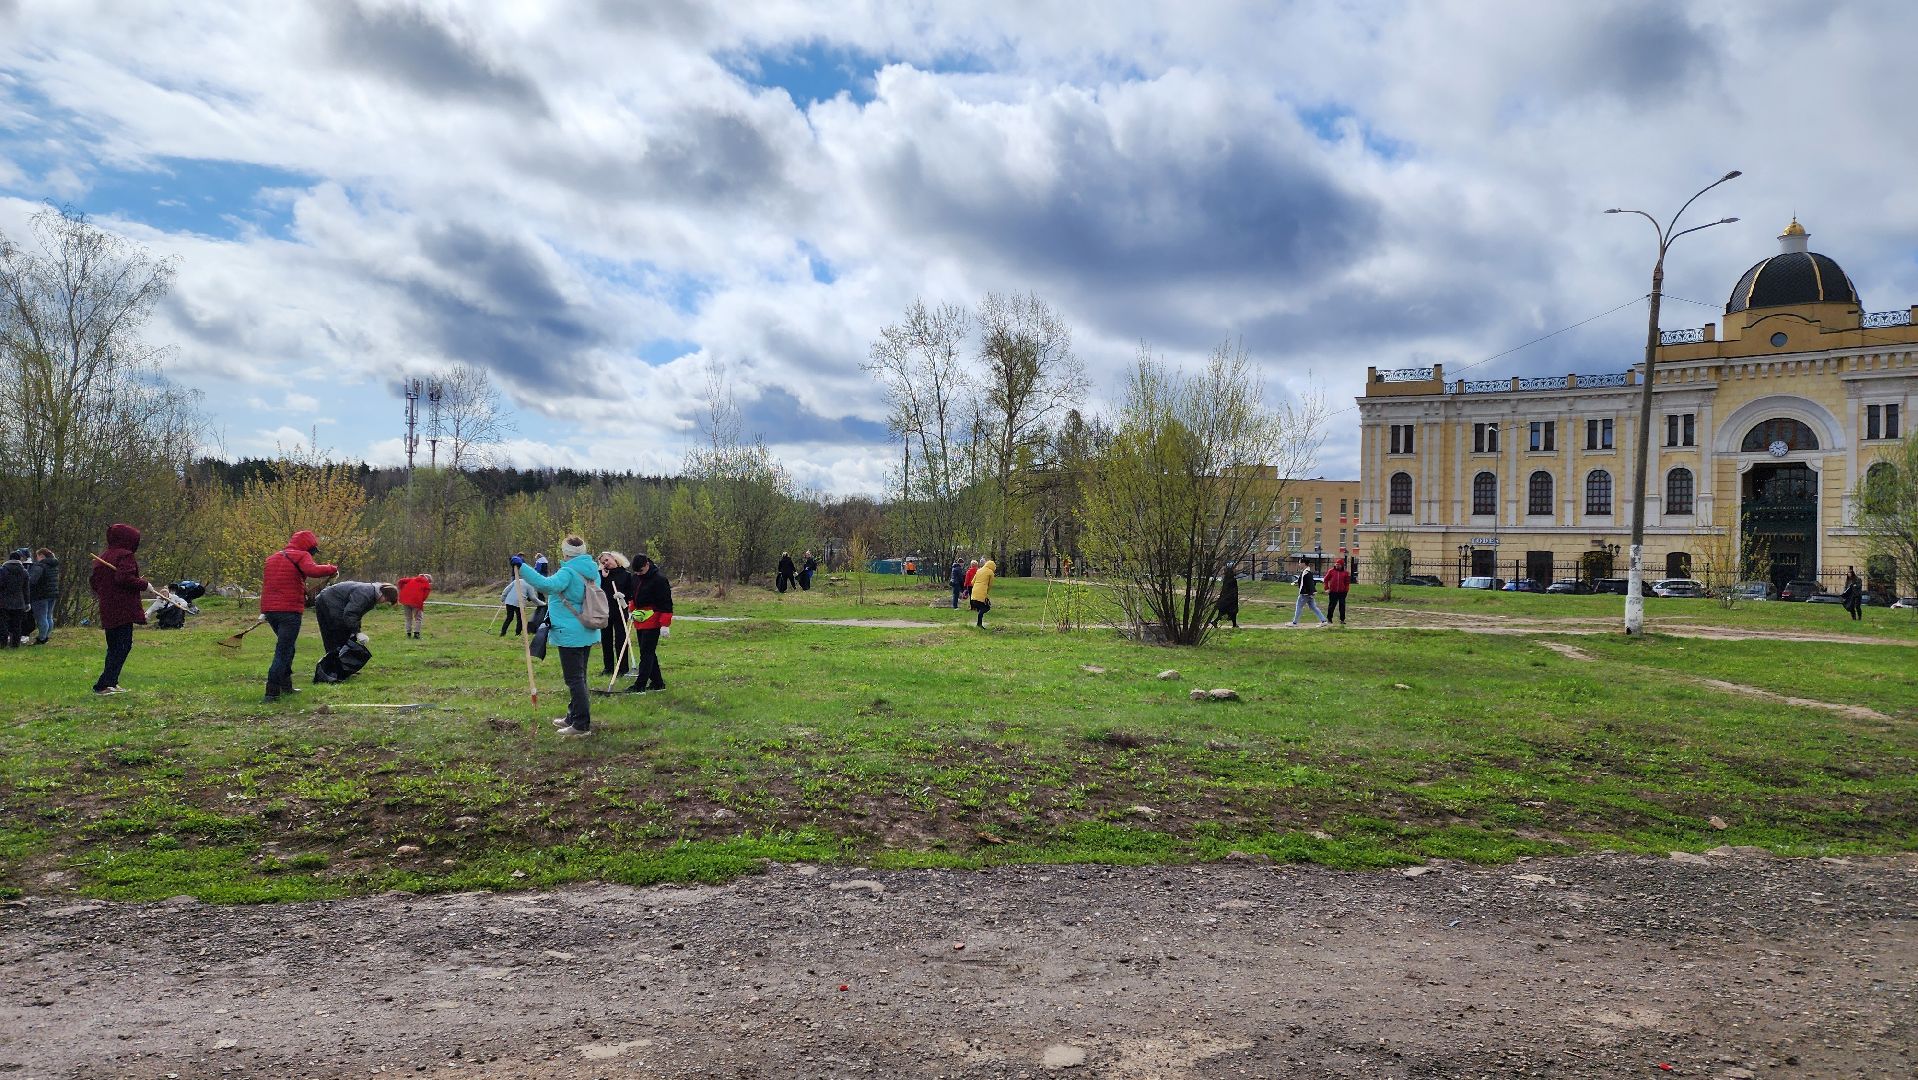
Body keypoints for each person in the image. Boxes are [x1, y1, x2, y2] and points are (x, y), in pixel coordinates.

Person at [516, 537, 600, 735]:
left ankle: (581, 725)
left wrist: (523, 568)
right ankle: (573, 715)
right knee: (580, 676)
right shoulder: (592, 571)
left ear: (566, 552)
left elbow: (547, 586)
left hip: (570, 632)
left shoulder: (568, 571)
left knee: (574, 679)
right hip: (587, 628)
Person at [259, 529, 339, 703]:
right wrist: (332, 568)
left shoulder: (271, 559)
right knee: (283, 650)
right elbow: (313, 570)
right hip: (289, 610)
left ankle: (286, 686)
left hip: (270, 610)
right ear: (309, 547)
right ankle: (272, 692)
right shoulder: (301, 556)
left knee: (288, 647)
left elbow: (270, 584)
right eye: (313, 551)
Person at [89, 523, 148, 695]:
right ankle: (104, 684)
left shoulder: (104, 556)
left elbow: (94, 582)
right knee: (122, 646)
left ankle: (111, 682)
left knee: (114, 646)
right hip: (123, 608)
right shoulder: (125, 555)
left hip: (108, 607)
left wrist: (107, 592)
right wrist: (144, 584)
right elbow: (124, 578)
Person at [313, 580, 399, 667]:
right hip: (327, 602)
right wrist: (357, 632)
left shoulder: (371, 594)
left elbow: (357, 614)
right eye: (386, 600)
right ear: (383, 594)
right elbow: (350, 613)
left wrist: (356, 631)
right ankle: (334, 667)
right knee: (336, 634)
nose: (383, 602)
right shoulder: (365, 594)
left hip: (334, 602)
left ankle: (341, 666)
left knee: (345, 635)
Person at [623, 553, 674, 694]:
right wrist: (631, 610)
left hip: (654, 619)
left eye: (641, 571)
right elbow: (633, 596)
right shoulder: (635, 578)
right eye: (636, 572)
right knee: (648, 652)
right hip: (640, 620)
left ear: (647, 565)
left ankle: (640, 685)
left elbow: (666, 603)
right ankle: (658, 683)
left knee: (646, 653)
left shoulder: (660, 580)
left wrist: (665, 624)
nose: (639, 574)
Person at [598, 551, 635, 677]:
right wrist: (603, 576)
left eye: (607, 560)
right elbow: (596, 590)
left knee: (621, 639)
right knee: (606, 640)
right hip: (605, 611)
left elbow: (631, 593)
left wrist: (623, 596)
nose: (605, 563)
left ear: (614, 558)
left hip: (620, 610)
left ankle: (622, 668)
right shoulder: (601, 575)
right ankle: (608, 668)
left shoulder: (626, 574)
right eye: (603, 563)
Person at [0, 549, 30, 649]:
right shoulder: (24, 572)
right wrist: (27, 602)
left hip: (3, 602)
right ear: (20, 559)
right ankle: (15, 644)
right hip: (19, 602)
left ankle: (2, 643)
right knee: (17, 625)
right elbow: (26, 589)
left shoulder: (2, 570)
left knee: (3, 623)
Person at [29, 548, 59, 644]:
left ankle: (41, 638)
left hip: (40, 595)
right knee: (49, 616)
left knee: (41, 617)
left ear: (41, 556)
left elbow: (32, 581)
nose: (36, 558)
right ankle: (46, 636)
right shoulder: (53, 566)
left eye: (37, 556)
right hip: (52, 594)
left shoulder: (39, 566)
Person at [1289, 562, 1328, 626]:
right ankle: (1323, 620)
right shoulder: (1306, 572)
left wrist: (1310, 593)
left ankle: (1294, 622)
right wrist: (1297, 583)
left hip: (1305, 594)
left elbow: (1309, 584)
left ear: (1303, 563)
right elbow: (1305, 582)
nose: (1299, 564)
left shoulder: (1306, 573)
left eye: (1300, 563)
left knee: (1298, 606)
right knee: (1313, 607)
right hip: (1309, 593)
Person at [396, 573, 433, 638]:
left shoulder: (412, 579)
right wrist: (420, 601)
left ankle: (408, 634)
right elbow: (425, 595)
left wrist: (402, 590)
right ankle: (416, 634)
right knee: (418, 618)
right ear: (428, 580)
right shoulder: (426, 583)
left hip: (405, 600)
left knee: (408, 618)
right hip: (416, 602)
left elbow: (400, 581)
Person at [1322, 559, 1352, 626]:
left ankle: (1342, 619)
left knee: (1342, 606)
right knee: (1331, 605)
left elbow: (1347, 582)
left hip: (1342, 592)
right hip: (1333, 591)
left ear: (1342, 565)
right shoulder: (1331, 571)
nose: (1337, 565)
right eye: (1336, 564)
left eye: (1339, 564)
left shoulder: (1345, 573)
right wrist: (1326, 588)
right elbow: (1326, 579)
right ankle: (1329, 619)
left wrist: (1346, 590)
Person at [969, 558, 997, 628]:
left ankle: (979, 623)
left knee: (980, 606)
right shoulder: (990, 572)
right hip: (982, 592)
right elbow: (990, 585)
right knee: (986, 608)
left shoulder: (979, 570)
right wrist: (986, 593)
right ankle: (979, 624)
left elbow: (972, 582)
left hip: (974, 592)